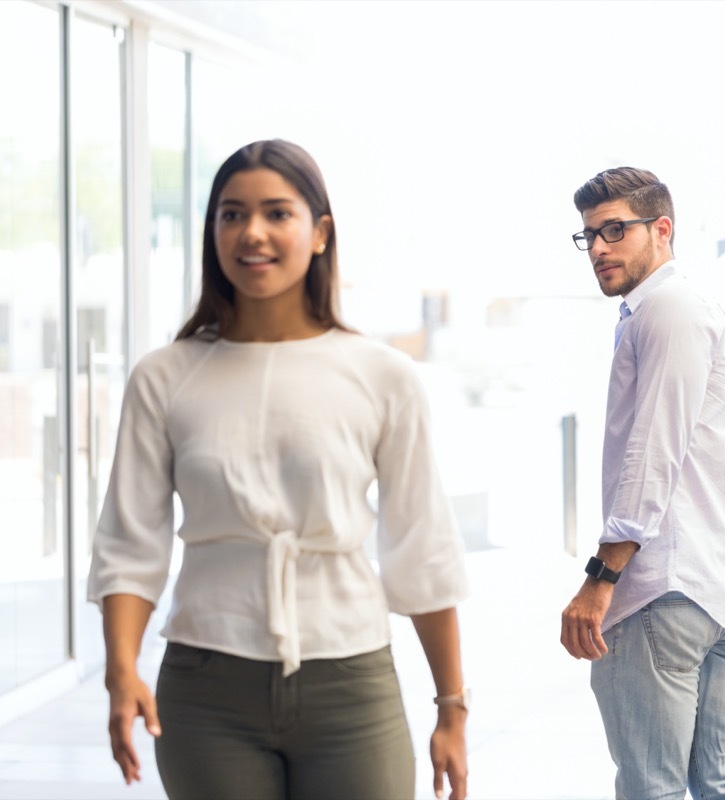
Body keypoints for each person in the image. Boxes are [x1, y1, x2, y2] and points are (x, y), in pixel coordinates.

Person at [87, 139, 469, 800]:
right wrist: (122, 671)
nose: (252, 232)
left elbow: (422, 549)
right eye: (231, 214)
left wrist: (451, 707)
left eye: (276, 214)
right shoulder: (166, 376)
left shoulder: (381, 375)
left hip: (349, 677)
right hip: (207, 684)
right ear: (213, 233)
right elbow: (129, 544)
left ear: (320, 232)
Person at [559, 167, 725, 800]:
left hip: (668, 592)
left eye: (614, 230)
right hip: (716, 591)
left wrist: (601, 578)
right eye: (589, 236)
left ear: (662, 229)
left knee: (653, 788)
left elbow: (653, 452)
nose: (598, 248)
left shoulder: (668, 306)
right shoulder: (678, 308)